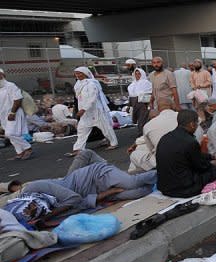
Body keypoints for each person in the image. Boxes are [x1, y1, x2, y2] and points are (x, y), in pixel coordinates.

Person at [19, 149, 156, 212]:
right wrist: (106, 194)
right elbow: (78, 203)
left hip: (94, 174)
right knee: (140, 191)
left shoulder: (33, 187)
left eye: (29, 209)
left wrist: (50, 215)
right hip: (94, 192)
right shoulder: (39, 212)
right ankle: (122, 176)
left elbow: (74, 199)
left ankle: (169, 173)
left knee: (132, 183)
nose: (30, 211)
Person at [156, 110, 216, 198]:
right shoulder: (190, 142)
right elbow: (201, 166)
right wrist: (212, 164)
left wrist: (211, 156)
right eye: (197, 124)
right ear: (192, 124)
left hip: (164, 187)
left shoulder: (165, 137)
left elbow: (194, 155)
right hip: (183, 189)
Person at [71, 67, 118, 155]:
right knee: (82, 130)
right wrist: (81, 109)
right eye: (76, 73)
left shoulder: (92, 84)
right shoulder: (77, 84)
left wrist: (83, 109)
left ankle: (113, 143)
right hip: (85, 112)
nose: (78, 75)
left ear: (85, 73)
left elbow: (92, 98)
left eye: (80, 73)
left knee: (105, 128)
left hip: (95, 110)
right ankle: (78, 148)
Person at [128, 99, 178, 173]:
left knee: (135, 153)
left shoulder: (149, 125)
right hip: (187, 157)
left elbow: (151, 148)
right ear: (173, 106)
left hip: (164, 162)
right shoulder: (184, 117)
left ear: (158, 109)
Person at [0, 68, 32, 160]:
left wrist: (13, 112)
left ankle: (27, 148)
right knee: (10, 135)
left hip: (14, 113)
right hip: (3, 115)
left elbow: (17, 99)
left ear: (3, 75)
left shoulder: (11, 85)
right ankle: (19, 152)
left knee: (10, 133)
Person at [127, 68, 153, 136]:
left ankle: (141, 134)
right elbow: (130, 95)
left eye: (139, 74)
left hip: (143, 104)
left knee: (142, 120)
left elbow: (150, 93)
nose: (137, 75)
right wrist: (128, 106)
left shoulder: (146, 83)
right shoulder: (132, 84)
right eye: (136, 74)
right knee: (139, 120)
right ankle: (143, 133)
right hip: (134, 104)